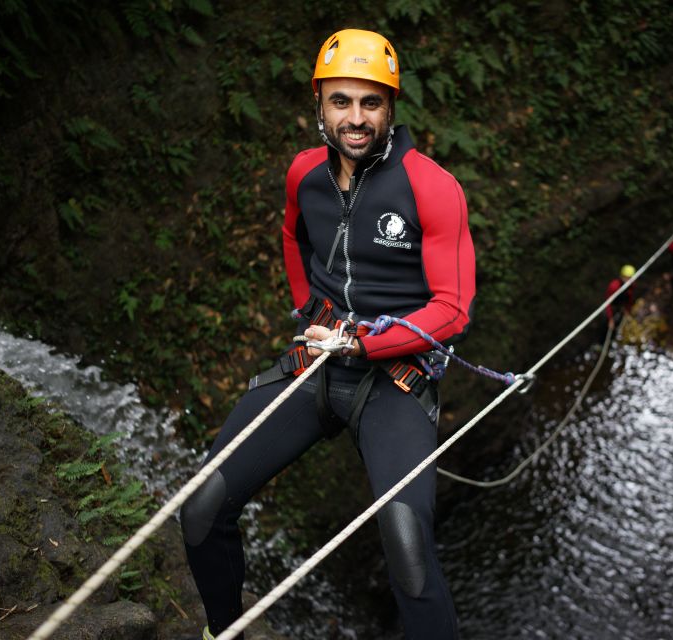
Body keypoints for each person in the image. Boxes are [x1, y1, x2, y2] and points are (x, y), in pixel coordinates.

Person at [180, 29, 473, 640]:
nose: (356, 118)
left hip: (393, 379)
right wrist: (308, 310)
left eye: (370, 103)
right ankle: (223, 632)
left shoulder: (431, 186)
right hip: (316, 362)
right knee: (204, 506)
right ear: (319, 103)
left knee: (408, 548)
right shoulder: (304, 175)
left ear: (391, 107)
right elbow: (293, 237)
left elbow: (452, 310)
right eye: (341, 101)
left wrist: (364, 345)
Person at [604, 264, 635, 332]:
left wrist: (627, 311)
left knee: (617, 329)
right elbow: (607, 302)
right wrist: (610, 319)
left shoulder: (631, 286)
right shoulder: (614, 286)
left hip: (619, 310)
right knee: (605, 329)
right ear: (621, 276)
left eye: (629, 278)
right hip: (610, 310)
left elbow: (629, 300)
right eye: (625, 277)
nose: (627, 280)